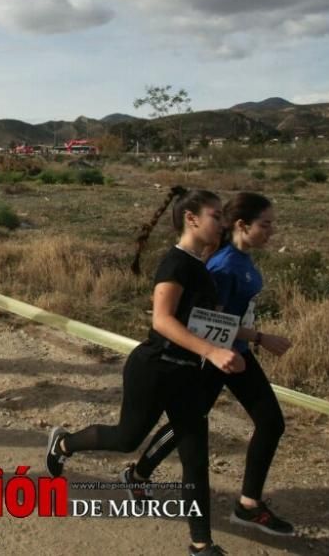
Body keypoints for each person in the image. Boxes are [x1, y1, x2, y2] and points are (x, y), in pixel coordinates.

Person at [44, 186, 245, 556]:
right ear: (191, 218)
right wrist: (213, 352)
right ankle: (64, 443)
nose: (223, 223)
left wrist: (254, 336)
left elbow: (203, 323)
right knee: (126, 439)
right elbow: (163, 322)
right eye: (216, 216)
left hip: (188, 376)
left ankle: (202, 543)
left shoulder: (202, 269)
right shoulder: (175, 264)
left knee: (195, 458)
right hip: (154, 369)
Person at [126, 192, 294, 536]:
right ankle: (139, 474)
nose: (272, 231)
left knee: (271, 422)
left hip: (237, 355)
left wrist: (252, 341)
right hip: (214, 358)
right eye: (266, 224)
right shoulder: (222, 266)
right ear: (243, 226)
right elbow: (196, 320)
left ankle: (247, 504)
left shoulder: (240, 260)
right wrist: (255, 338)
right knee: (185, 426)